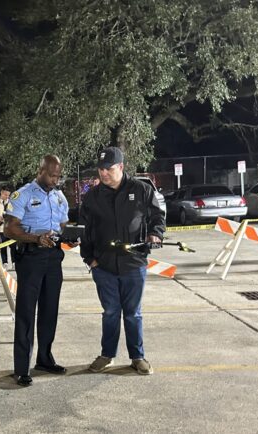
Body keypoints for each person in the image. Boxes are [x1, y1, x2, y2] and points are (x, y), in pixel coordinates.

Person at [79, 147, 165, 375]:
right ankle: (107, 355)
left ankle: (137, 357)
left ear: (121, 167)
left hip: (134, 264)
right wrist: (90, 260)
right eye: (100, 169)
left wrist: (155, 233)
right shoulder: (92, 196)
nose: (103, 173)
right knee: (110, 312)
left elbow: (158, 217)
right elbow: (84, 231)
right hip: (103, 266)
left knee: (132, 313)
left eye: (108, 169)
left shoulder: (141, 190)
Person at [4, 155, 72, 387]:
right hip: (31, 258)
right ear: (40, 170)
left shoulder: (59, 197)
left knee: (49, 310)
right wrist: (35, 238)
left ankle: (45, 358)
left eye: (58, 176)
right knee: (26, 313)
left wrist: (63, 237)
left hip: (54, 258)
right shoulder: (22, 195)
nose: (55, 179)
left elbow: (62, 224)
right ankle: (21, 368)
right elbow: (9, 228)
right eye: (51, 175)